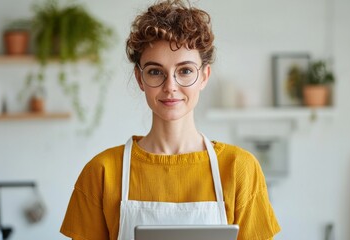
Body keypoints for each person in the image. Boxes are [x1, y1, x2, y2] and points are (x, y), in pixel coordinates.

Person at [60, 0, 281, 239]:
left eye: (185, 70)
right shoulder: (102, 172)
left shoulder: (240, 169)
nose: (170, 87)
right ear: (139, 78)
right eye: (156, 71)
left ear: (204, 76)